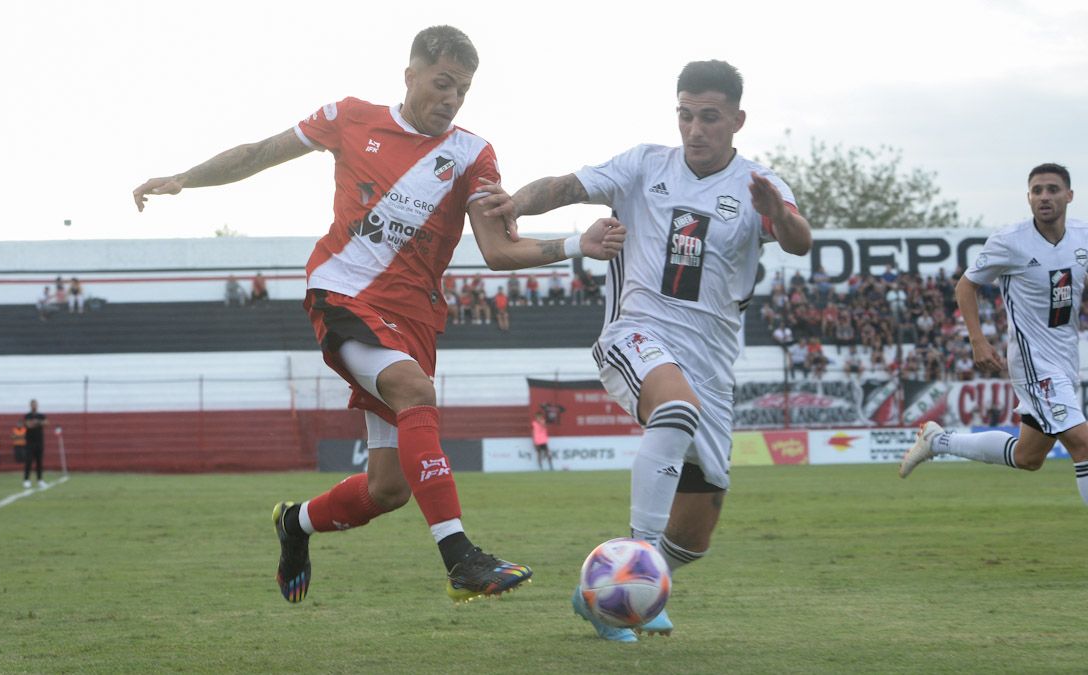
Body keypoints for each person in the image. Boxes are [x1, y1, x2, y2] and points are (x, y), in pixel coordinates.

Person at [132, 25, 625, 605]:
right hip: (342, 294)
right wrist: (186, 179)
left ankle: (297, 523)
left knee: (388, 489)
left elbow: (497, 251)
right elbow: (260, 154)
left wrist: (575, 246)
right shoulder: (349, 116)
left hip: (413, 321)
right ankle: (460, 558)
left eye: (462, 91)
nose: (451, 99)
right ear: (410, 73)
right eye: (442, 84)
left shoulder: (472, 153)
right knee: (415, 390)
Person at [483, 59, 811, 641]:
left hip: (711, 364)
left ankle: (603, 595)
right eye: (685, 115)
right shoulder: (643, 165)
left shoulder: (758, 184)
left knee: (693, 536)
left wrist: (776, 212)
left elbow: (799, 240)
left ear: (737, 119)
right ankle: (631, 576)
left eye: (708, 117)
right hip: (636, 333)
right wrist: (516, 205)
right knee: (675, 409)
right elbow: (565, 186)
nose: (694, 129)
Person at [901, 163, 1088, 506]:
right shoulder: (1010, 241)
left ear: (1069, 195)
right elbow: (966, 285)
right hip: (1034, 362)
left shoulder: (1083, 236)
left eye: (1052, 189)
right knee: (1084, 444)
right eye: (1037, 190)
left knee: (1027, 457)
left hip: (1066, 359)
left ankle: (938, 441)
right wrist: (978, 340)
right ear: (1029, 198)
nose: (1044, 196)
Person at [23, 399, 48, 489]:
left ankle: (40, 480)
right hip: (29, 442)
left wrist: (37, 422)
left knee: (39, 462)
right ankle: (26, 480)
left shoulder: (41, 415)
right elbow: (28, 425)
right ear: (30, 406)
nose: (34, 406)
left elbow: (46, 423)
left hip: (39, 442)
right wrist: (38, 423)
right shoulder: (27, 415)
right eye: (32, 404)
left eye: (35, 404)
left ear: (37, 405)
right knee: (28, 461)